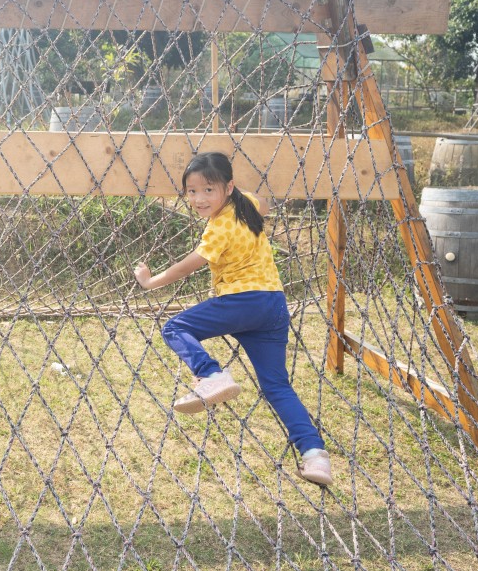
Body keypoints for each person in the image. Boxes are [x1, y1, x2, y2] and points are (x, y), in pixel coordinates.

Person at [133, 152, 333, 486]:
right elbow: (265, 203)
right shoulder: (247, 204)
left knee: (175, 327)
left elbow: (190, 264)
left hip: (243, 300)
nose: (199, 199)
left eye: (208, 190)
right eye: (192, 191)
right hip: (273, 305)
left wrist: (151, 281)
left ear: (228, 188)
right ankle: (315, 456)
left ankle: (211, 374)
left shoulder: (220, 226)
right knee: (277, 386)